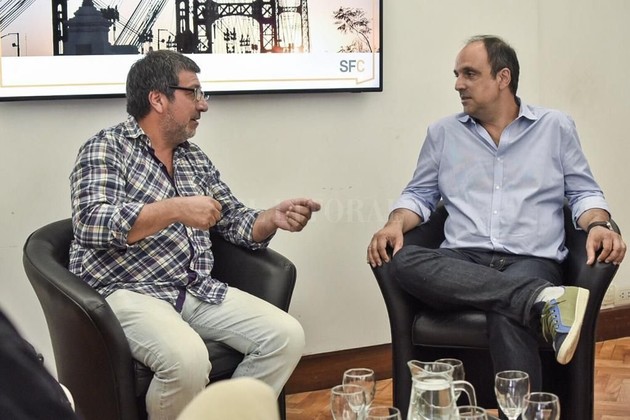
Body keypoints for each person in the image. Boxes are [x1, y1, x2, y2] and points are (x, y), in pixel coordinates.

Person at [367, 35, 626, 402]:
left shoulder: (555, 127)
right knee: (403, 262)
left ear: (503, 77)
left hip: (531, 259)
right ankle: (542, 299)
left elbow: (583, 192)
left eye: (470, 74)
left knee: (507, 313)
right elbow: (419, 195)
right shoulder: (443, 133)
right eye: (457, 75)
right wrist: (395, 223)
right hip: (462, 259)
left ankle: (520, 404)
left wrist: (598, 224)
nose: (458, 84)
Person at [69, 50, 320, 420]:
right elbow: (90, 222)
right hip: (126, 291)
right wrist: (174, 208)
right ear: (158, 99)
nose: (203, 105)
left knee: (286, 336)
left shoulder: (194, 158)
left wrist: (272, 217)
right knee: (187, 360)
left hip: (193, 288)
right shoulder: (106, 148)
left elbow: (232, 220)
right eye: (194, 93)